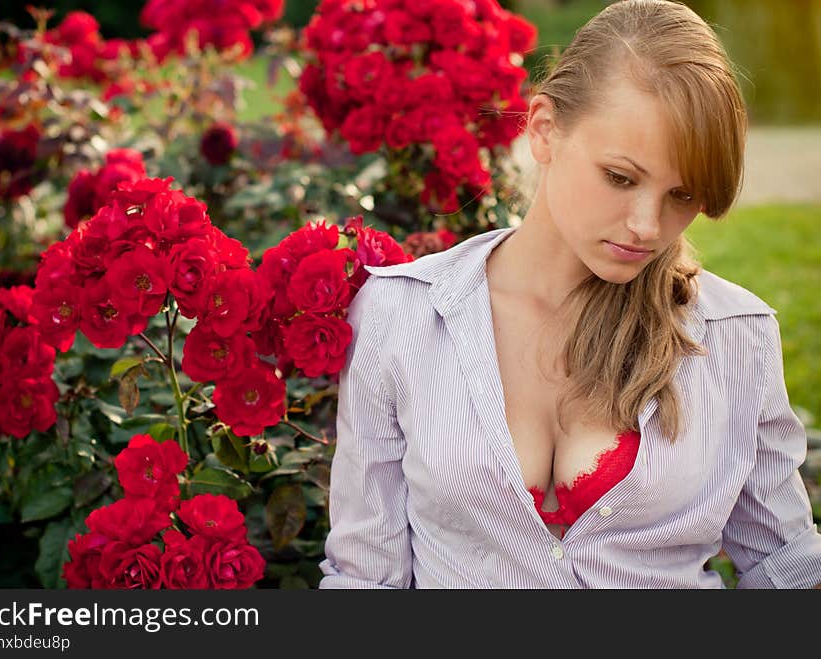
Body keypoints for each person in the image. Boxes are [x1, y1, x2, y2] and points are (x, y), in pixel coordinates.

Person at [318, 0, 821, 588]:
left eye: (682, 196)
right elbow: (364, 577)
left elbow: (787, 566)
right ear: (543, 130)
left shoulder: (733, 335)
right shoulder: (402, 316)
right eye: (621, 177)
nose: (647, 226)